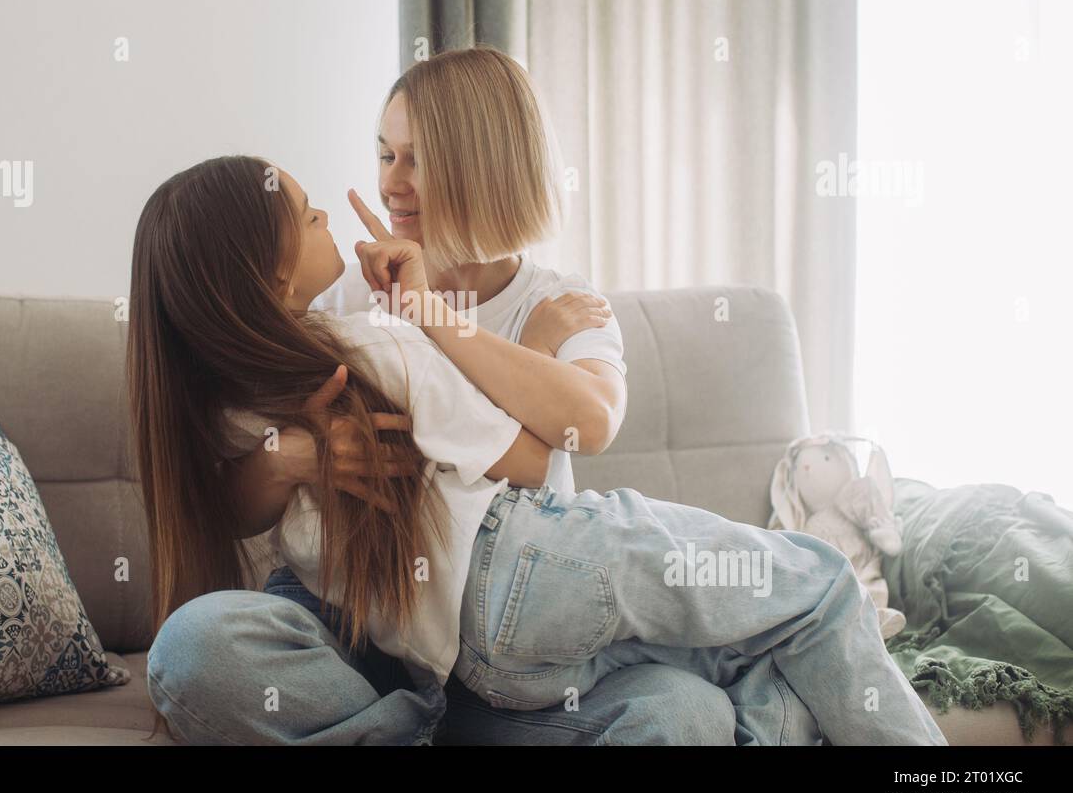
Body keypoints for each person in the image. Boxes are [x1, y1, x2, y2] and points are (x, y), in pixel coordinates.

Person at [129, 153, 948, 747]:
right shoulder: (368, 342)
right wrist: (428, 334)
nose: (367, 192)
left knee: (688, 704)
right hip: (536, 567)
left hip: (476, 661)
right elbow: (529, 463)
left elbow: (225, 498)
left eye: (413, 157)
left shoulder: (219, 401)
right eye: (307, 213)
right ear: (267, 276)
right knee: (819, 585)